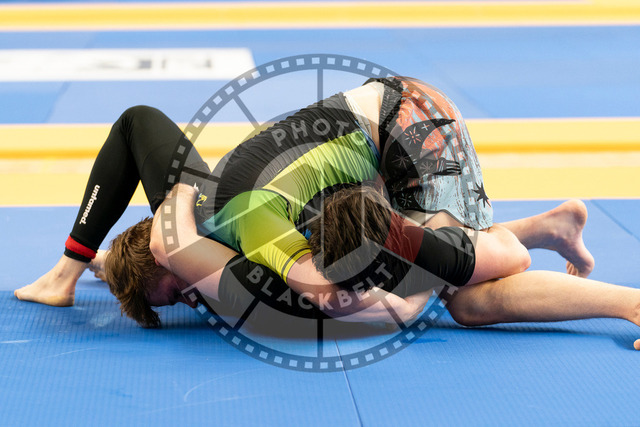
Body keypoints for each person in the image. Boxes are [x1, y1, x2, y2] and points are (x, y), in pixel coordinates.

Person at [15, 77, 596, 329]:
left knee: (466, 301)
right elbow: (138, 124)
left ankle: (620, 299)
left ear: (172, 251)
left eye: (178, 292)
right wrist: (93, 262)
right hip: (382, 134)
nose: (194, 300)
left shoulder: (247, 223)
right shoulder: (192, 197)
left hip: (415, 128)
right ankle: (549, 225)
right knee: (348, 236)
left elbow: (323, 294)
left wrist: (406, 304)